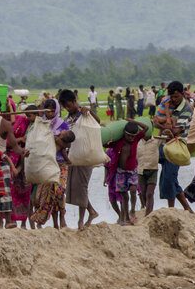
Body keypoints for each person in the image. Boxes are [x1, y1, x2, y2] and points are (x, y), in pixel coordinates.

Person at [59, 89, 101, 229]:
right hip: (73, 156)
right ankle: (91, 211)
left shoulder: (84, 113)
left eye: (69, 105)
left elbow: (97, 122)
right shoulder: (67, 119)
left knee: (82, 186)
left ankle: (81, 220)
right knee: (74, 187)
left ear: (74, 101)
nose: (67, 108)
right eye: (65, 106)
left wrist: (89, 112)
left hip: (85, 155)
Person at [154, 81, 195, 212]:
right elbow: (157, 122)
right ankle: (187, 209)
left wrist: (163, 124)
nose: (173, 100)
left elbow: (175, 131)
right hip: (165, 144)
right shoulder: (167, 102)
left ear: (182, 94)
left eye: (176, 97)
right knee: (169, 178)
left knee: (169, 178)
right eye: (172, 97)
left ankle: (172, 209)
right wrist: (166, 125)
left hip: (178, 146)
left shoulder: (187, 109)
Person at [30, 99, 70, 229]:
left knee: (59, 191)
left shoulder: (62, 125)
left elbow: (68, 143)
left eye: (53, 109)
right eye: (48, 109)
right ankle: (55, 222)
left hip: (60, 163)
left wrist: (55, 139)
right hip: (45, 163)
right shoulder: (40, 124)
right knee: (48, 194)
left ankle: (62, 217)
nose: (51, 112)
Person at [106, 120, 148, 225]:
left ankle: (133, 209)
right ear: (124, 133)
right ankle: (125, 218)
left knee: (133, 189)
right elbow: (105, 144)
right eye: (129, 136)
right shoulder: (118, 142)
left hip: (132, 171)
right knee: (124, 195)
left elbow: (146, 128)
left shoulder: (136, 139)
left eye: (133, 136)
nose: (131, 138)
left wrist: (133, 121)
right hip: (120, 172)